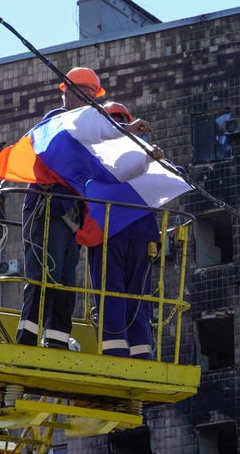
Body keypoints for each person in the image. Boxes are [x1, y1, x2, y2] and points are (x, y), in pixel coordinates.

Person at [15, 67, 106, 349]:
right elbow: (73, 133)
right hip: (47, 208)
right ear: (68, 93)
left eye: (94, 97)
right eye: (87, 95)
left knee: (65, 281)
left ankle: (56, 339)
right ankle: (28, 338)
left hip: (69, 214)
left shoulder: (88, 132)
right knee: (45, 275)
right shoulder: (55, 122)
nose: (91, 102)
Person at [88, 103, 165, 360]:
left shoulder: (98, 153)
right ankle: (140, 350)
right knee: (136, 296)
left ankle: (117, 349)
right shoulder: (144, 156)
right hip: (139, 234)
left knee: (112, 294)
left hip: (112, 233)